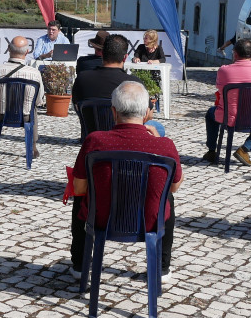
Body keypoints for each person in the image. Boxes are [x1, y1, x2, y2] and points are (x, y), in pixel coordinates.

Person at [70, 81, 183, 278]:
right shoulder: (165, 146)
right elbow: (174, 186)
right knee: (167, 198)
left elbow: (79, 186)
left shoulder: (95, 141)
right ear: (147, 113)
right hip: (148, 222)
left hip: (101, 219)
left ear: (113, 112)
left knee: (80, 197)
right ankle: (161, 267)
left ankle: (81, 265)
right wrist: (157, 140)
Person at [73, 34, 165, 137]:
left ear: (102, 54)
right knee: (158, 128)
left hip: (92, 136)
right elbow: (148, 115)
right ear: (125, 57)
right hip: (126, 137)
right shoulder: (134, 83)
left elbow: (77, 106)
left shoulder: (82, 78)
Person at [203, 38, 251, 166]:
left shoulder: (224, 70)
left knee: (210, 114)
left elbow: (219, 88)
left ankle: (212, 150)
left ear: (235, 53)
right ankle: (245, 148)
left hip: (228, 118)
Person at [0, 36, 44, 159]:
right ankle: (32, 147)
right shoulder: (35, 73)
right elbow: (39, 101)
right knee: (33, 109)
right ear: (27, 52)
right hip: (25, 115)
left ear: (8, 49)